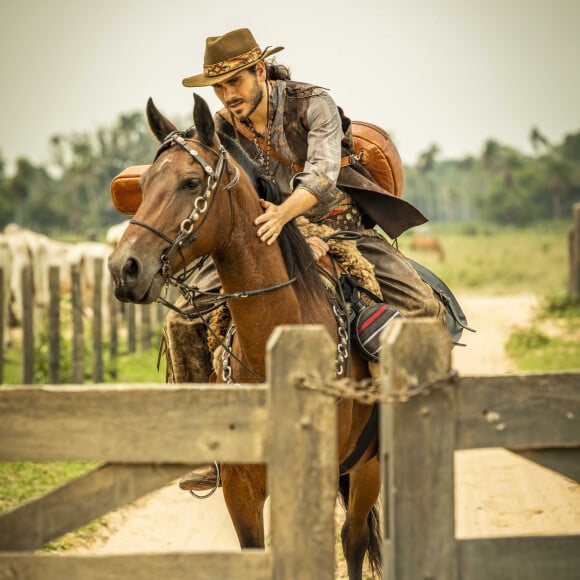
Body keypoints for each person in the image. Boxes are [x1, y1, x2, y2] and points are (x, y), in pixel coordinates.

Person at [170, 28, 446, 491]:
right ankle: (207, 449)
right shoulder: (219, 128)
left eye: (234, 81)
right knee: (182, 322)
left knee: (423, 311)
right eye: (218, 87)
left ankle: (410, 433)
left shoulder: (312, 103)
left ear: (260, 70)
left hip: (342, 228)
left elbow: (321, 175)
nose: (226, 95)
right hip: (264, 237)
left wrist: (289, 218)